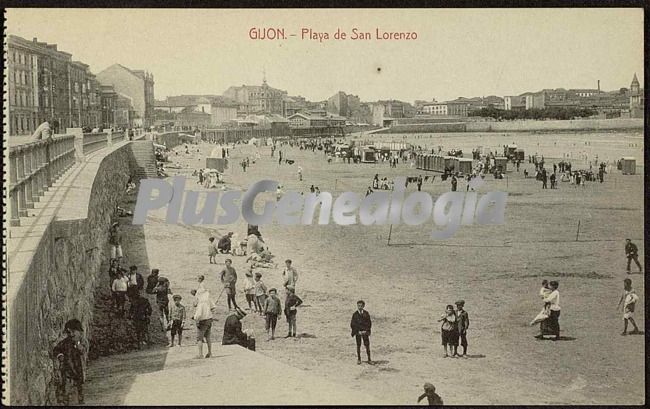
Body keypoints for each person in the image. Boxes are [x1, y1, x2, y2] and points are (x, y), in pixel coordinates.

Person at [52, 319, 87, 405]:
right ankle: (65, 400)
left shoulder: (82, 341)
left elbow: (82, 350)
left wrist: (77, 344)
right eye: (69, 332)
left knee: (80, 385)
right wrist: (60, 355)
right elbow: (56, 349)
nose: (71, 334)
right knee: (66, 386)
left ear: (79, 331)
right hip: (68, 368)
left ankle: (80, 400)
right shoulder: (65, 343)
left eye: (73, 332)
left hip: (79, 368)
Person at [191, 288, 213, 358]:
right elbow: (213, 308)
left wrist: (194, 317)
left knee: (199, 339)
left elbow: (199, 315)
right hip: (209, 320)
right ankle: (210, 353)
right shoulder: (208, 300)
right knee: (208, 337)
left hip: (202, 321)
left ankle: (200, 354)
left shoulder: (200, 303)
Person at [350, 300, 372, 365]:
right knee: (358, 345)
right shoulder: (355, 314)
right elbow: (352, 324)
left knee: (367, 345)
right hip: (358, 332)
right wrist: (357, 331)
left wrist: (365, 331)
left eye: (361, 306)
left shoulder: (366, 314)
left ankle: (369, 359)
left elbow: (369, 323)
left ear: (363, 306)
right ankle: (359, 359)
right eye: (358, 306)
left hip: (365, 332)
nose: (360, 307)